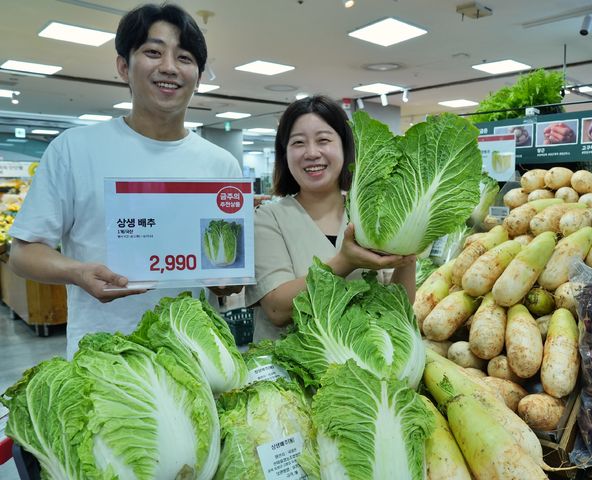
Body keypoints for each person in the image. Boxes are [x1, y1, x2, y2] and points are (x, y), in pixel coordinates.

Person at [8, 3, 242, 358]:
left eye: (184, 57)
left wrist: (227, 281)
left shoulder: (220, 164)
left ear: (198, 73)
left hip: (193, 355)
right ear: (123, 66)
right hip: (104, 357)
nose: (169, 67)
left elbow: (228, 274)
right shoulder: (74, 149)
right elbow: (22, 254)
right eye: (153, 52)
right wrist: (77, 272)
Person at [245, 95, 416, 341]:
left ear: (344, 147)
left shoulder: (368, 217)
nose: (312, 153)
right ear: (285, 153)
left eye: (324, 140)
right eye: (298, 143)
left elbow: (399, 305)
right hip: (288, 372)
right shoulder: (268, 217)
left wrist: (409, 253)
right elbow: (276, 308)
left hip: (363, 367)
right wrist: (345, 262)